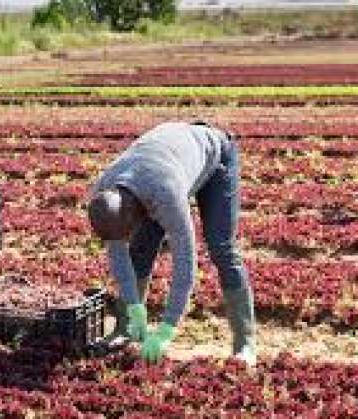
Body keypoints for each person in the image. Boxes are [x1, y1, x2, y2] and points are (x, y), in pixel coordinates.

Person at [87, 121, 255, 365]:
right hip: (162, 161)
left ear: (137, 214)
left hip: (215, 157)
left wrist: (167, 329)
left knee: (221, 248)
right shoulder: (105, 192)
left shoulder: (166, 196)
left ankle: (245, 342)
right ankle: (127, 329)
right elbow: (117, 251)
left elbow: (185, 262)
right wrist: (134, 307)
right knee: (141, 250)